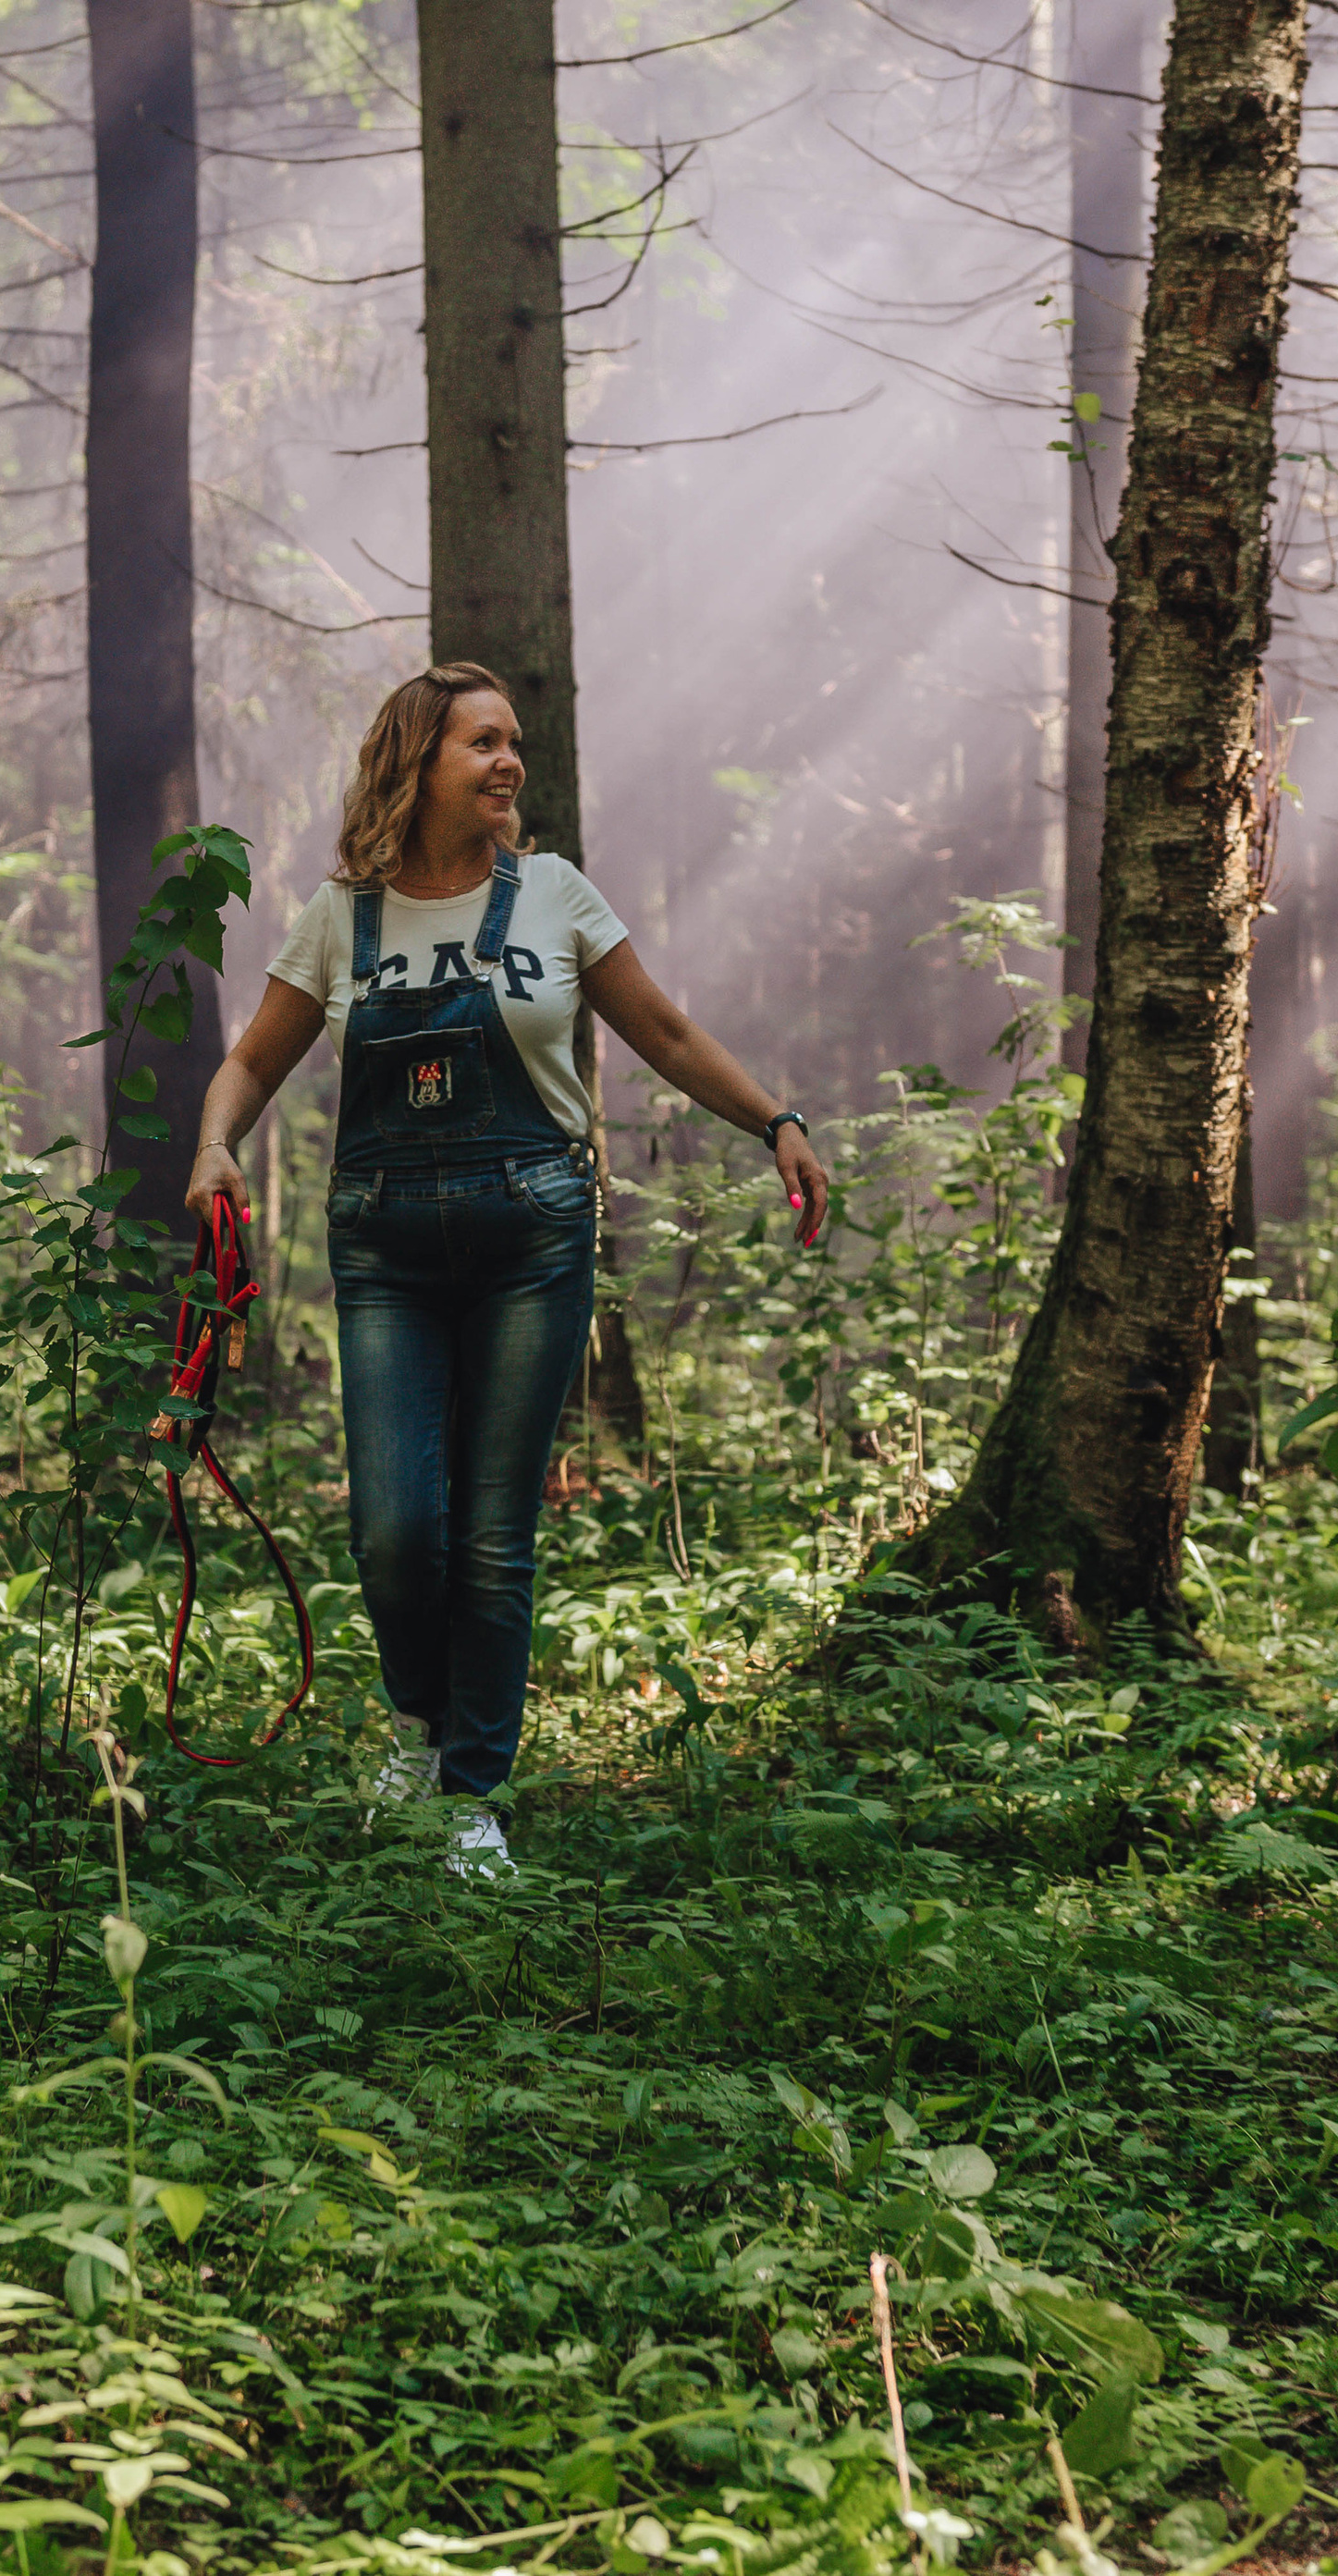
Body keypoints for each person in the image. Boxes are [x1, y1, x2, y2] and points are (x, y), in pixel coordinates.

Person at [186, 660, 829, 1879]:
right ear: (418, 761)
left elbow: (666, 1031)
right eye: (483, 742)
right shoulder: (343, 917)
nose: (510, 762)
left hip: (533, 1238)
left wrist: (775, 1121)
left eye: (514, 741)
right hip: (384, 1248)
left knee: (492, 1534)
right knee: (394, 1530)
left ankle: (472, 1793)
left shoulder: (556, 894)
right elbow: (252, 1062)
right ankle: (417, 1720)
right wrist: (217, 1143)